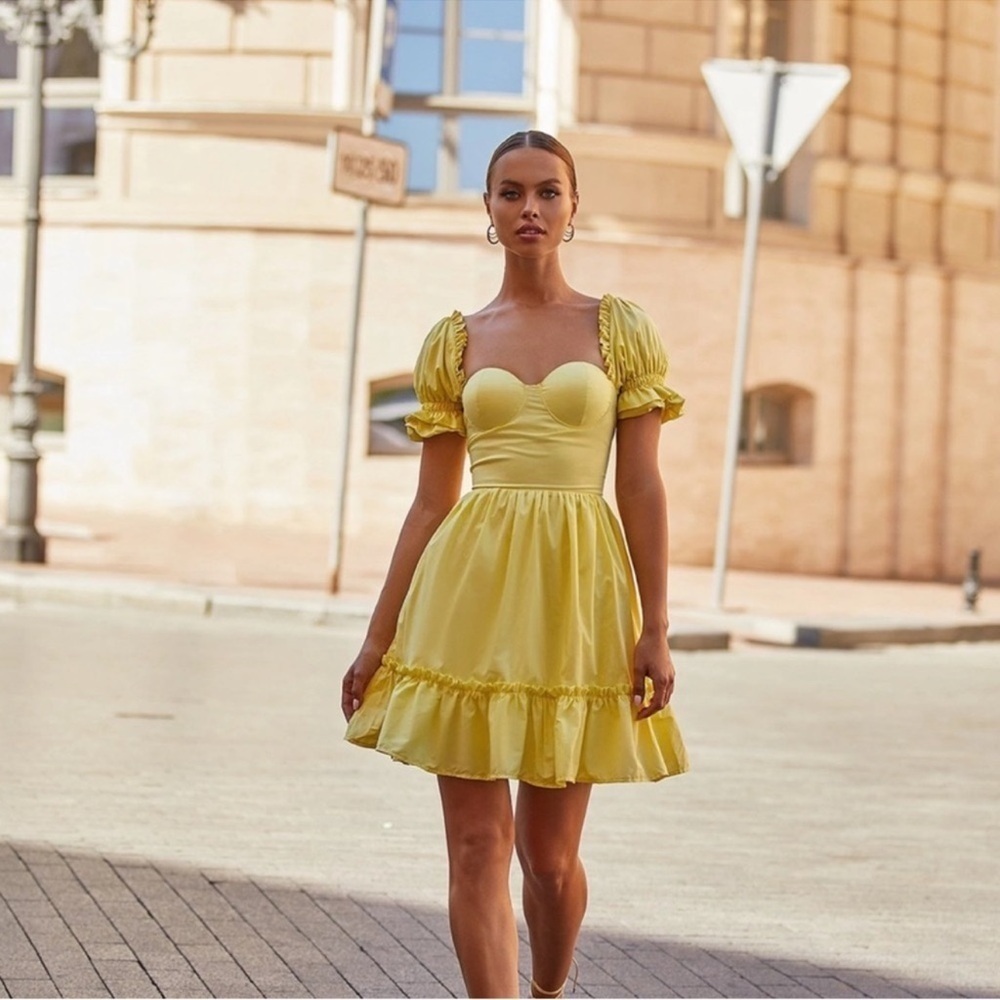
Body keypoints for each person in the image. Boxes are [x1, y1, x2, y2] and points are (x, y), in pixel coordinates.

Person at [342, 129, 688, 999]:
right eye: (510, 193)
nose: (529, 208)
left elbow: (642, 488)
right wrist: (376, 637)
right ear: (488, 211)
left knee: (550, 857)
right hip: (469, 594)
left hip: (577, 593)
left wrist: (656, 627)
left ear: (574, 209)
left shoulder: (620, 330)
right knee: (474, 846)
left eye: (547, 192)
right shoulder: (456, 340)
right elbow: (430, 502)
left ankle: (549, 988)